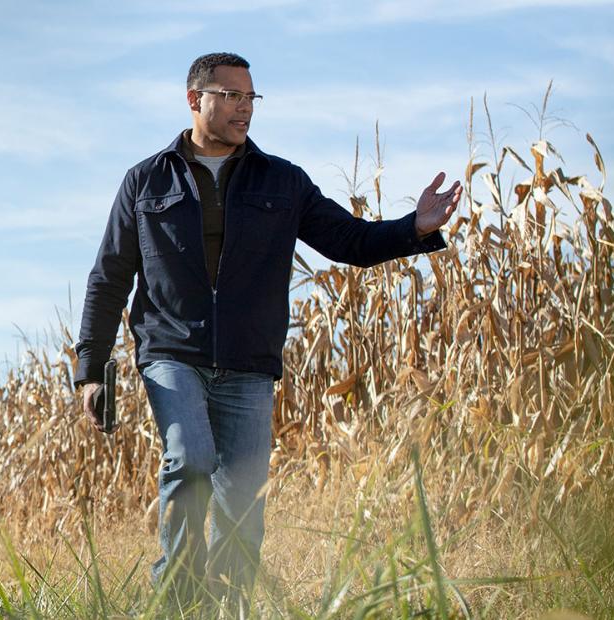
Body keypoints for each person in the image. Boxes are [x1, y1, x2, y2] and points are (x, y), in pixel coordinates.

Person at [74, 52, 462, 612]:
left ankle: (227, 608)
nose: (244, 108)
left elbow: (347, 240)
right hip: (171, 352)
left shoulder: (282, 181)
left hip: (250, 363)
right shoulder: (145, 180)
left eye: (250, 97)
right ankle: (179, 598)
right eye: (230, 96)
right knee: (191, 457)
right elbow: (109, 276)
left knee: (242, 502)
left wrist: (414, 228)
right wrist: (91, 370)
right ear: (194, 100)